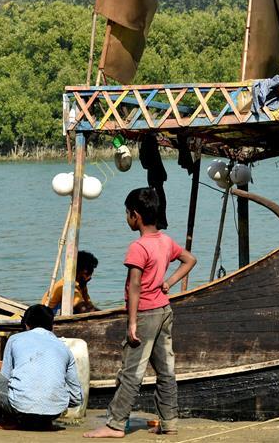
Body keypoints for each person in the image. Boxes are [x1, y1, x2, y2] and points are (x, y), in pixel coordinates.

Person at [84, 187, 196, 438]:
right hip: (164, 310)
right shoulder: (165, 241)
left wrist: (132, 322)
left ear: (135, 215)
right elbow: (190, 260)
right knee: (166, 370)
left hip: (145, 314)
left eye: (127, 213)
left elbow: (135, 285)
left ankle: (115, 424)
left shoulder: (138, 247)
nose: (127, 218)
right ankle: (170, 422)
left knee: (131, 372)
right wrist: (169, 282)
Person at [0, 304, 82, 430]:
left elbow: (5, 379)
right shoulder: (64, 347)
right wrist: (52, 403)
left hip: (18, 407)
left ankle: (9, 419)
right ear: (52, 326)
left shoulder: (15, 339)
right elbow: (76, 397)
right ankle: (44, 421)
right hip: (54, 413)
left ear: (26, 325)